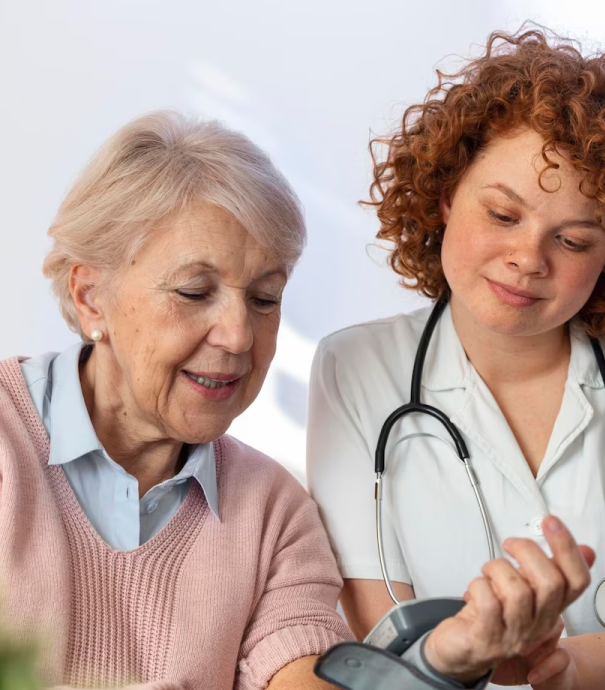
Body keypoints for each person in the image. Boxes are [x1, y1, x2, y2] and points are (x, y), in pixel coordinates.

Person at [307, 28, 605, 689]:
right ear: (447, 194)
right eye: (503, 215)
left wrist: (569, 669)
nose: (528, 259)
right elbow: (382, 648)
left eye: (573, 240)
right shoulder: (356, 368)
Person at [0, 110, 354, 690]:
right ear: (90, 297)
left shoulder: (274, 514)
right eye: (194, 292)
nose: (238, 336)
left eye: (265, 298)